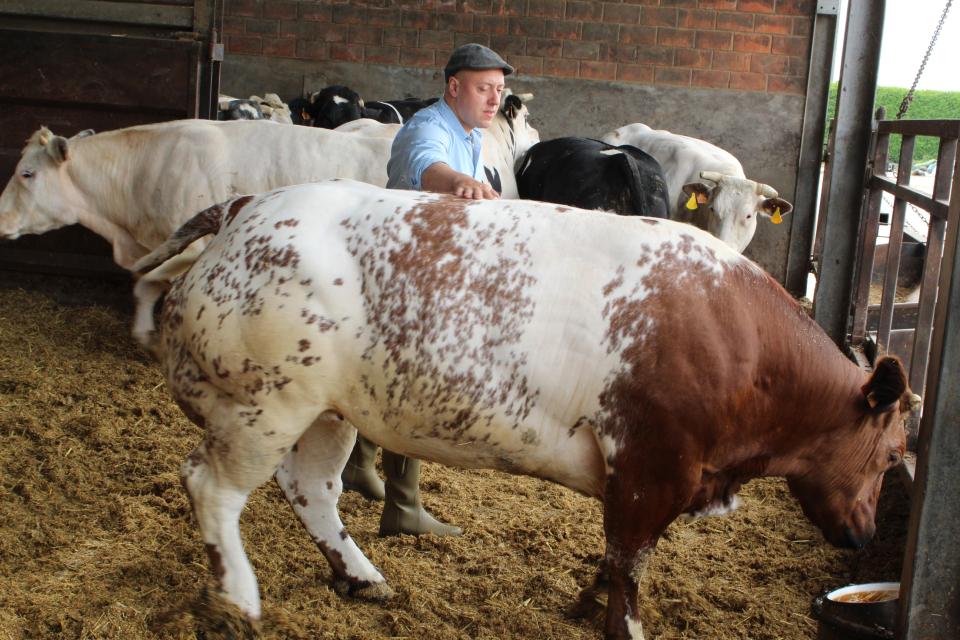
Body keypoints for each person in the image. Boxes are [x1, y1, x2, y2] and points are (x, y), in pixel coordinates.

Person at [342, 43, 515, 537]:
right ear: (454, 87)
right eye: (484, 89)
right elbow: (425, 166)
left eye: (499, 91)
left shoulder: (471, 133)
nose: (493, 100)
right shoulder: (428, 128)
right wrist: (461, 182)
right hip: (405, 272)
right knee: (409, 382)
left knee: (384, 372)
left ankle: (358, 466)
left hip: (429, 268)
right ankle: (403, 507)